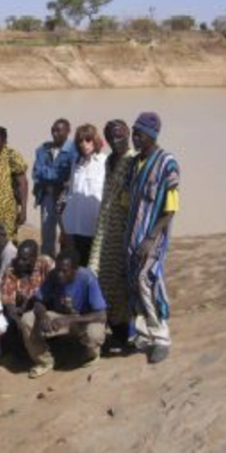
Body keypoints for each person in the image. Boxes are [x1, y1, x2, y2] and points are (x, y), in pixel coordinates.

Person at [124, 112, 180, 364]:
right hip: (132, 237)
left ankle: (161, 337)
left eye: (139, 134)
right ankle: (144, 332)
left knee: (147, 280)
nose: (135, 138)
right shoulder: (135, 163)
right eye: (134, 133)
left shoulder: (167, 163)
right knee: (133, 283)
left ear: (152, 135)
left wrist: (150, 238)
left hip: (152, 238)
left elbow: (170, 209)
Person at [20, 249, 107, 378]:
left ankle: (91, 354)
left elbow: (101, 315)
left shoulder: (88, 278)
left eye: (64, 271)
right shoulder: (53, 275)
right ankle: (45, 361)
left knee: (94, 333)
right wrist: (42, 316)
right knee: (27, 320)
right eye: (58, 270)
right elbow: (38, 302)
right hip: (59, 318)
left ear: (75, 269)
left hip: (83, 320)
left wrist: (71, 320)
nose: (60, 274)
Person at [88, 120, 136, 351]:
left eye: (119, 135)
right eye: (111, 137)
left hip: (125, 230)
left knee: (123, 282)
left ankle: (127, 334)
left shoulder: (134, 160)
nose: (116, 141)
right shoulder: (109, 160)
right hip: (105, 228)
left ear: (127, 133)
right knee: (100, 276)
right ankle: (112, 329)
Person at [60, 124, 107, 266]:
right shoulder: (76, 163)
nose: (84, 144)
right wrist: (64, 226)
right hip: (75, 227)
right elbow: (71, 194)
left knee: (93, 269)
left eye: (88, 140)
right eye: (80, 141)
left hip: (95, 227)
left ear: (95, 140)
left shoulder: (105, 162)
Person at [33, 119, 77, 257]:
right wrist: (57, 175)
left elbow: (70, 174)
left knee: (68, 234)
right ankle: (47, 266)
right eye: (53, 130)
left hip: (65, 198)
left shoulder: (74, 150)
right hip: (46, 197)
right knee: (47, 235)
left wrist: (49, 174)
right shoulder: (43, 149)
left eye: (59, 130)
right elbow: (36, 172)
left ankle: (68, 264)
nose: (55, 133)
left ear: (68, 131)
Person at [0, 240, 54, 352]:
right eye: (19, 257)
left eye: (25, 259)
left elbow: (58, 286)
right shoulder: (12, 268)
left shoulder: (46, 264)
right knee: (7, 323)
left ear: (35, 257)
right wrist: (18, 321)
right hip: (21, 311)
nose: (20, 262)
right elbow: (8, 301)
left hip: (46, 306)